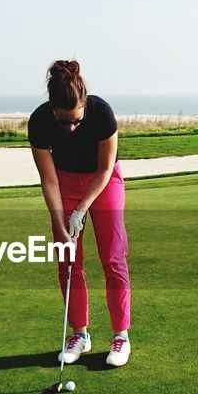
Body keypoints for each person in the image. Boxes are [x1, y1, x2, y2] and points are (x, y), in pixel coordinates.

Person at [28, 59, 131, 367]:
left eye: (76, 120)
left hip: (104, 183)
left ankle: (121, 337)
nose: (71, 128)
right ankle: (80, 335)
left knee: (113, 258)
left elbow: (104, 168)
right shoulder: (39, 122)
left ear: (85, 104)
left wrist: (82, 209)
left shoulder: (102, 113)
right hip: (64, 183)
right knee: (68, 262)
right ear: (52, 109)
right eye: (64, 122)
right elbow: (48, 179)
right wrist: (61, 223)